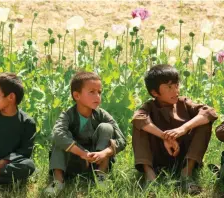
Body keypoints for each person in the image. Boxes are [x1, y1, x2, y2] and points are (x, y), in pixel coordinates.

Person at [132, 64, 217, 195]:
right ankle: (150, 177)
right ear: (155, 92)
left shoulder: (183, 102)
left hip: (184, 155)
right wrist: (165, 137)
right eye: (169, 87)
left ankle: (186, 174)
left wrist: (184, 128)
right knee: (140, 127)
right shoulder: (149, 106)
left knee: (203, 122)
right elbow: (138, 119)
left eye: (177, 85)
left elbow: (209, 112)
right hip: (158, 156)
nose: (176, 91)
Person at [45, 71, 126, 196]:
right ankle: (58, 181)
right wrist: (83, 153)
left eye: (99, 92)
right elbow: (58, 135)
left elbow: (122, 140)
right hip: (72, 160)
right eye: (92, 92)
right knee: (60, 137)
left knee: (106, 127)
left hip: (96, 160)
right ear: (77, 95)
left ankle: (101, 176)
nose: (97, 97)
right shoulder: (67, 115)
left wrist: (103, 153)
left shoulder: (102, 114)